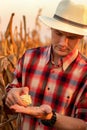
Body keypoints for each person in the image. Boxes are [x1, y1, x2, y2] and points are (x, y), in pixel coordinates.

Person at [5, 0, 87, 130]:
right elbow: (9, 104)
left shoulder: (85, 73)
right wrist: (11, 96)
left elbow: (84, 125)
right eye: (58, 33)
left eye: (71, 37)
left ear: (81, 37)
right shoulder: (29, 57)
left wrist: (50, 117)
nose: (63, 43)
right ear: (51, 28)